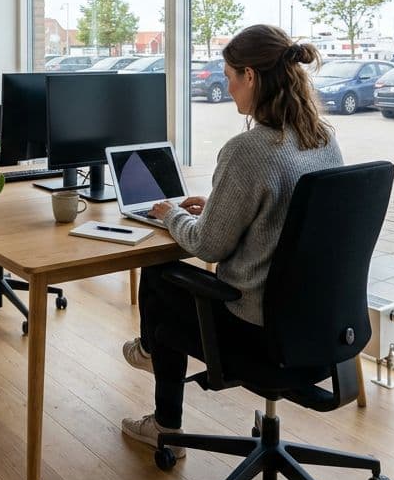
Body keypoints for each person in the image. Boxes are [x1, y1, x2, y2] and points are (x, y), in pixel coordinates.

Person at [118, 24, 344, 456]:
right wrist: (221, 204)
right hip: (318, 328)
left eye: (229, 75)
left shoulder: (247, 150)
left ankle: (164, 416)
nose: (227, 85)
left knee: (160, 276)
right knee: (167, 295)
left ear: (251, 77)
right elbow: (282, 216)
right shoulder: (323, 140)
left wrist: (173, 214)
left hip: (256, 331)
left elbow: (208, 247)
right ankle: (151, 350)